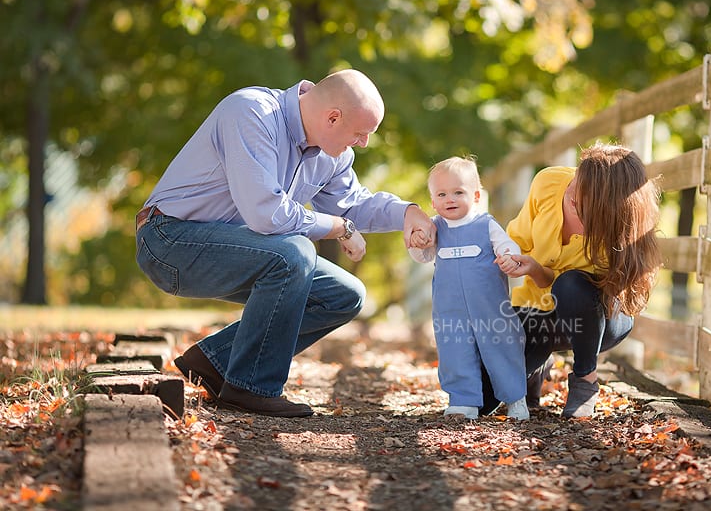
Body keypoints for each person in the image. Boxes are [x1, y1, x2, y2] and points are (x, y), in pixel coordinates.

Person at [135, 69, 435, 418]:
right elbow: (266, 213)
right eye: (360, 133)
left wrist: (406, 212)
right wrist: (339, 228)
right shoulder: (251, 112)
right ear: (333, 117)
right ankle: (251, 387)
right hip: (169, 240)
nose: (364, 143)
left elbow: (350, 204)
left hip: (232, 248)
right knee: (295, 253)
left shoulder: (331, 154)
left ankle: (216, 362)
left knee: (344, 294)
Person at [482, 142, 661, 418]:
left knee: (572, 284)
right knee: (484, 400)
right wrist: (511, 260)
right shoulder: (550, 182)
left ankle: (585, 380)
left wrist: (550, 277)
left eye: (579, 200)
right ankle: (534, 367)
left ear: (607, 209)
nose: (570, 194)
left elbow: (599, 295)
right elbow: (516, 239)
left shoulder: (616, 232)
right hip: (538, 312)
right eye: (572, 185)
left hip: (597, 318)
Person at [409, 157, 529, 420]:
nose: (449, 199)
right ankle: (463, 401)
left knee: (502, 346)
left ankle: (516, 399)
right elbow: (424, 256)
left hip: (490, 306)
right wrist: (418, 243)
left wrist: (508, 256)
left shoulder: (485, 224)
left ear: (475, 195)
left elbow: (507, 245)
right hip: (450, 309)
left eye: (458, 192)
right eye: (441, 194)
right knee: (454, 350)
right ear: (432, 201)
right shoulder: (435, 227)